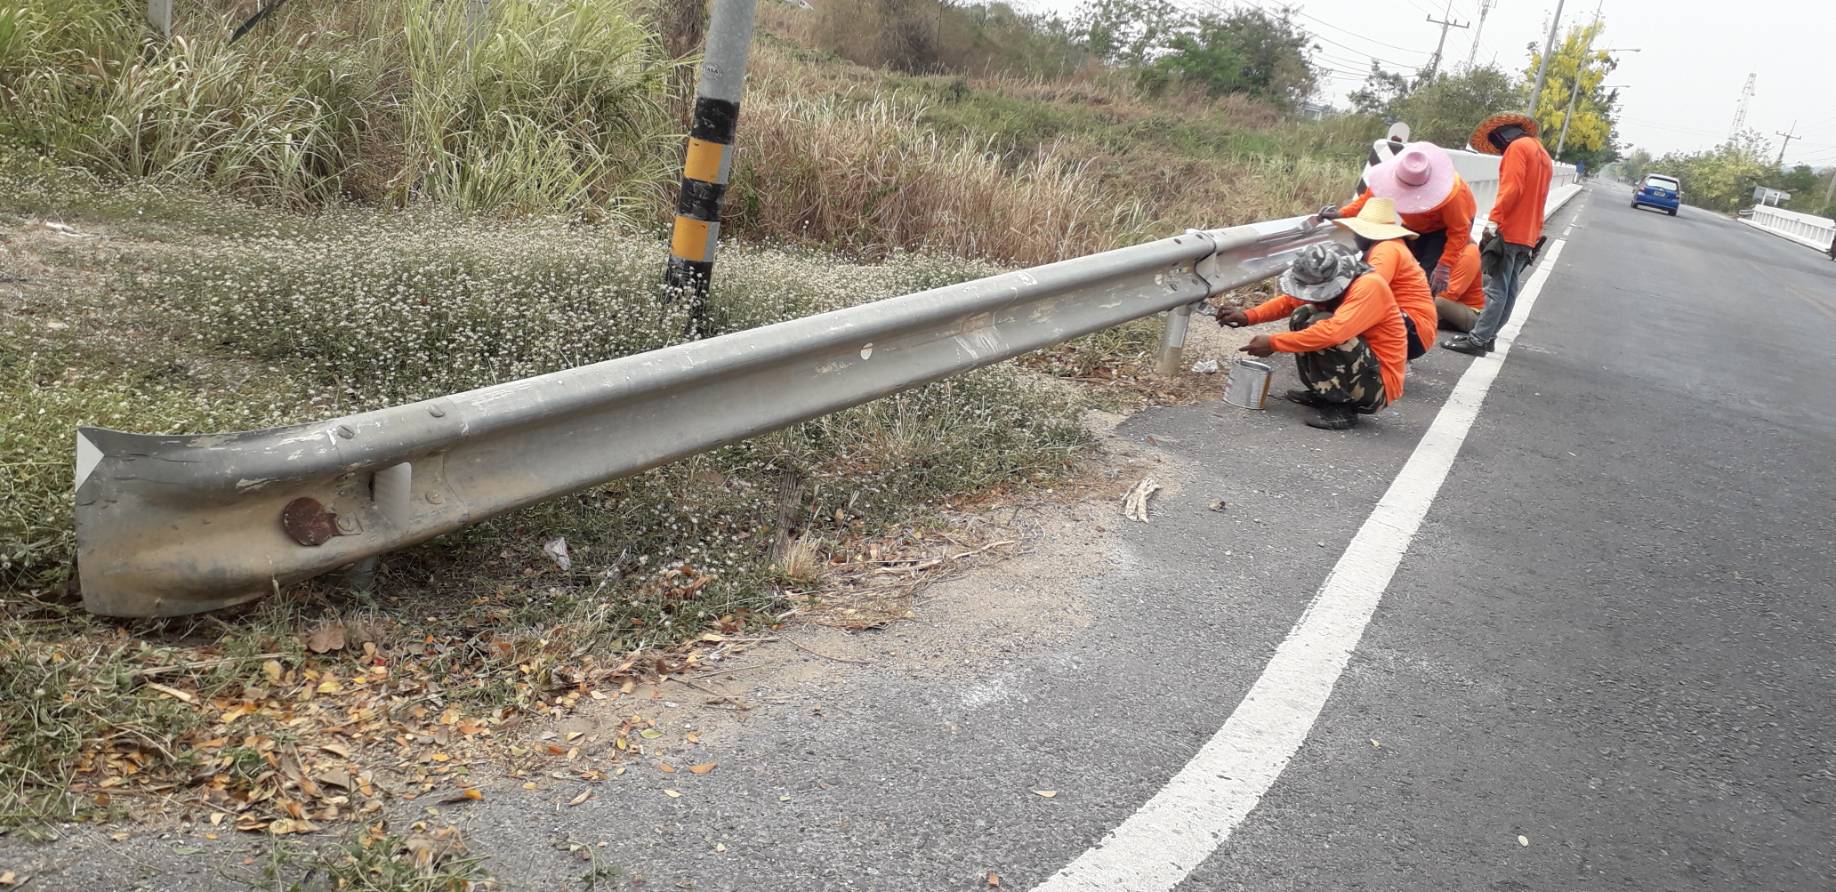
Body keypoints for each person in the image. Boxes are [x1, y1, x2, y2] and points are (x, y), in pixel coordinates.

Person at [1216, 243, 1408, 431]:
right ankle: (1325, 393)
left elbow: (1333, 333)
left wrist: (1274, 343)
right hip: (1365, 373)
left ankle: (1341, 409)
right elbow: (1290, 302)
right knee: (1303, 315)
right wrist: (1248, 316)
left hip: (1378, 387)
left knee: (1320, 324)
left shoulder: (1369, 286)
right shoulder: (1339, 283)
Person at [1444, 113, 1554, 356]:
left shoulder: (1517, 148)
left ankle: (1478, 340)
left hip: (1511, 231)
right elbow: (1541, 197)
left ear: (1502, 135)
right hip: (1529, 233)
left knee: (1496, 289)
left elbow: (1512, 188)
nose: (1499, 149)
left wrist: (1495, 219)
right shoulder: (1542, 154)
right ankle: (1489, 336)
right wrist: (1537, 232)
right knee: (1510, 288)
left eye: (1497, 143)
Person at [1324, 142, 1476, 294]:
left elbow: (1459, 230)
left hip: (1444, 229)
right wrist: (1342, 214)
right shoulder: (1391, 176)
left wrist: (1445, 265)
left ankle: (1421, 301)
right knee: (1399, 258)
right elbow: (1368, 199)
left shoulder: (1452, 193)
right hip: (1415, 223)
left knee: (1427, 275)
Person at [1330, 197, 1438, 359]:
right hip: (1415, 328)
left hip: (1413, 330)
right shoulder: (1387, 246)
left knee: (1332, 320)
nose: (1354, 236)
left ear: (1369, 233)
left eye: (1358, 231)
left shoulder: (1386, 250)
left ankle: (1373, 368)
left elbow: (1366, 293)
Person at [1434, 240, 1485, 332]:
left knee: (1437, 302)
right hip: (1451, 304)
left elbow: (1452, 293)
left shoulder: (1469, 253)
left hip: (1471, 312)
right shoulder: (1446, 249)